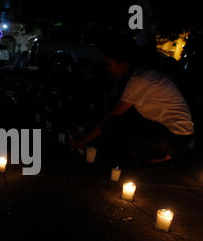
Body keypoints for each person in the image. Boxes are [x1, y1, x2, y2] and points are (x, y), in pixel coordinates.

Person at [71, 34, 194, 164]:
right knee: (122, 122)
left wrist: (82, 141)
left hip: (175, 138)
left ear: (124, 64)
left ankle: (160, 154)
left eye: (109, 65)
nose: (107, 69)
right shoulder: (140, 74)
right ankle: (152, 152)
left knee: (113, 125)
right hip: (172, 134)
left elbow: (113, 116)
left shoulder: (139, 80)